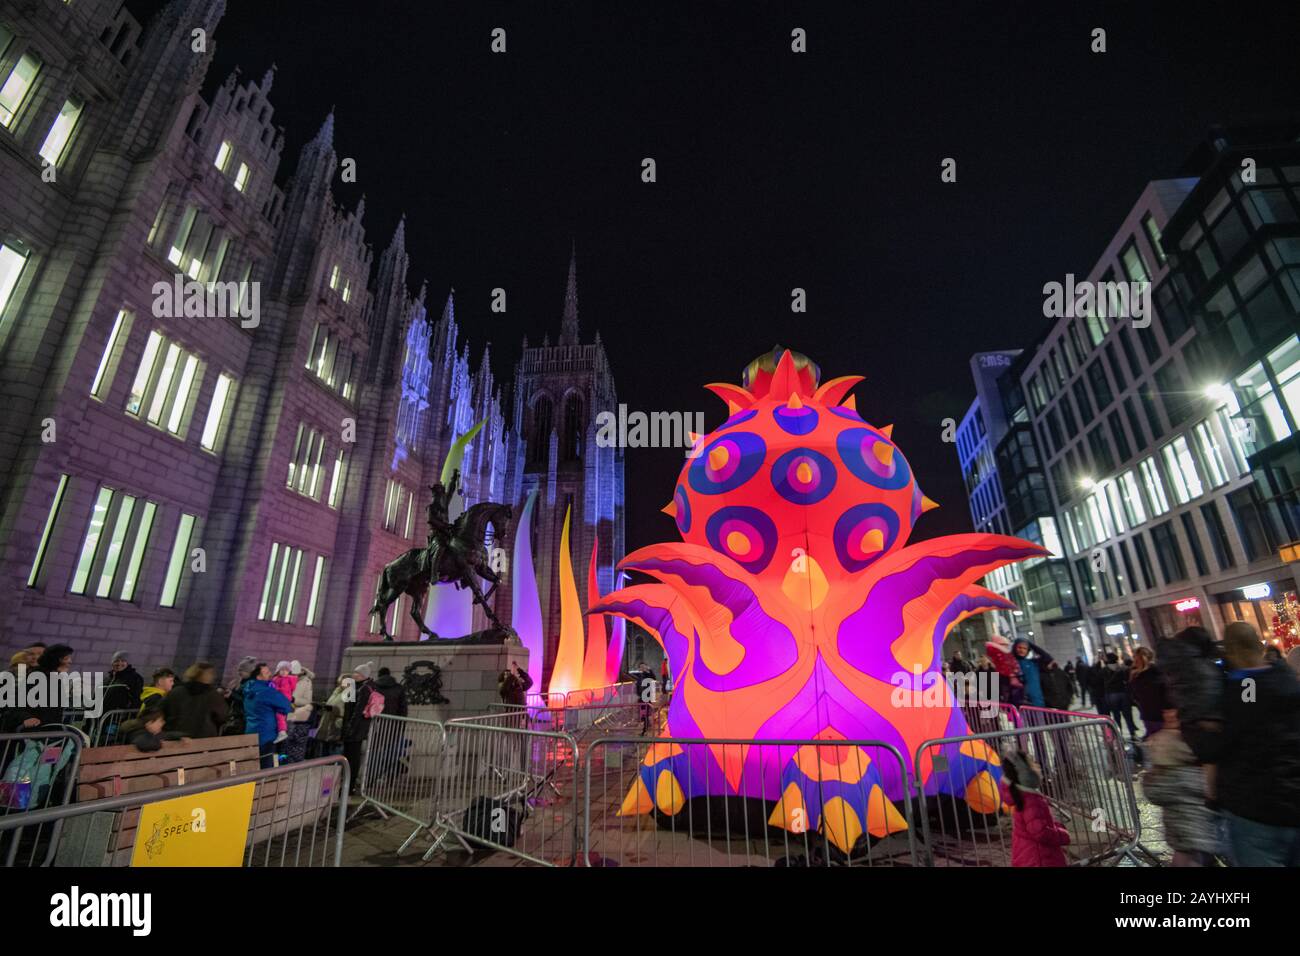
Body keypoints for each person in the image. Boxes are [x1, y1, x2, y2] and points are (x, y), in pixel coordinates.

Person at [1217, 621, 1300, 866]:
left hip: (1259, 806)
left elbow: (1241, 727)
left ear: (1232, 651)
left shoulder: (1248, 685)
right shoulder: (1286, 676)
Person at [1141, 707, 1218, 867]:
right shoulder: (1187, 750)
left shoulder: (1159, 747)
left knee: (1184, 853)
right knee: (1191, 857)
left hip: (1178, 823)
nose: (1169, 714)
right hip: (1193, 822)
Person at [999, 749, 1070, 866]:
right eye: (1032, 763)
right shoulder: (1031, 800)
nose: (1037, 766)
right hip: (1041, 858)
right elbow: (1040, 832)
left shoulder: (1023, 795)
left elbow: (1036, 825)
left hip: (1029, 855)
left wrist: (1055, 826)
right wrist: (1062, 835)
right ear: (1025, 773)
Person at [0, 644, 73, 732]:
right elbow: (15, 704)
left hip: (44, 732)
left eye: (39, 654)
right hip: (27, 733)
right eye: (66, 659)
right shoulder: (36, 677)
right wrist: (26, 718)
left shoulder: (54, 678)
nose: (70, 661)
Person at [243, 662, 292, 768]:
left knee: (251, 766)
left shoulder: (248, 689)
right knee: (266, 767)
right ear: (258, 676)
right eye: (266, 672)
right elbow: (287, 706)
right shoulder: (267, 691)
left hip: (250, 732)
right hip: (267, 735)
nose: (270, 674)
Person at [162, 662, 228, 738]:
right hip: (203, 738)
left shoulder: (176, 692)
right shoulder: (212, 695)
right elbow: (222, 716)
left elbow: (163, 711)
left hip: (177, 735)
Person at [341, 662, 378, 785]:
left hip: (356, 728)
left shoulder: (364, 689)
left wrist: (350, 727)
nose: (354, 674)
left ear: (363, 675)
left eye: (357, 673)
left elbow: (357, 711)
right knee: (349, 755)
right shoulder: (356, 686)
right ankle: (346, 782)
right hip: (354, 727)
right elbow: (347, 704)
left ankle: (349, 784)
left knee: (352, 756)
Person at [1128, 646, 1169, 738]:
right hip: (1163, 715)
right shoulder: (1160, 672)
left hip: (1148, 714)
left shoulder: (1135, 677)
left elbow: (1134, 696)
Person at [283, 661, 315, 764]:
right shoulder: (285, 679)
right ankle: (284, 765)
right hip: (286, 714)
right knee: (285, 743)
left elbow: (307, 701)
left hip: (299, 716)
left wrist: (293, 699)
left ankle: (294, 767)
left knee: (296, 744)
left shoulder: (306, 682)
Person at [1101, 653, 1138, 739]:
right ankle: (1132, 734)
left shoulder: (1104, 670)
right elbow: (1128, 681)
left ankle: (1119, 734)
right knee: (1128, 715)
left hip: (1112, 694)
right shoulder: (1123, 668)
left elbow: (1101, 682)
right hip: (1123, 693)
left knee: (1116, 716)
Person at [1010, 637, 1053, 707]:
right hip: (1019, 704)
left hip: (1037, 702)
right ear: (1014, 648)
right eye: (1019, 647)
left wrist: (1031, 644)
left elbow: (1048, 658)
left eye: (1025, 648)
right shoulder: (1009, 663)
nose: (1022, 650)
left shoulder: (1033, 663)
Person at [221, 656, 258, 736]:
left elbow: (247, 701)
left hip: (242, 719)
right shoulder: (241, 682)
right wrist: (229, 693)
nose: (239, 672)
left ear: (250, 672)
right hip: (236, 717)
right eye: (239, 670)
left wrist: (232, 694)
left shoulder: (252, 684)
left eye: (242, 670)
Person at [315, 674, 350, 757]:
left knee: (334, 747)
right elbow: (332, 704)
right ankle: (324, 765)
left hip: (337, 722)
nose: (342, 684)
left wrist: (333, 709)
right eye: (341, 681)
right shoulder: (337, 691)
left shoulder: (350, 694)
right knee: (325, 745)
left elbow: (346, 710)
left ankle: (333, 767)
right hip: (328, 720)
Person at [269, 661, 297, 744]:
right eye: (282, 670)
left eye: (286, 670)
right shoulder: (277, 679)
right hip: (279, 700)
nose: (284, 672)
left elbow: (284, 691)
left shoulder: (286, 679)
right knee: (278, 716)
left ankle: (282, 732)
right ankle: (280, 731)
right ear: (278, 670)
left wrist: (275, 690)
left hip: (282, 700)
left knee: (280, 715)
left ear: (289, 671)